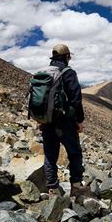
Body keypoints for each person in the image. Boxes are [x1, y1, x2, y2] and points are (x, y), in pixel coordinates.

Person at [39, 44, 90, 197]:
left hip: (46, 122)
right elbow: (76, 100)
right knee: (74, 153)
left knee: (50, 155)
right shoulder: (68, 73)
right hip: (65, 122)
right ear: (67, 56)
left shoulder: (44, 73)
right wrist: (79, 121)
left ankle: (53, 190)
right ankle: (76, 187)